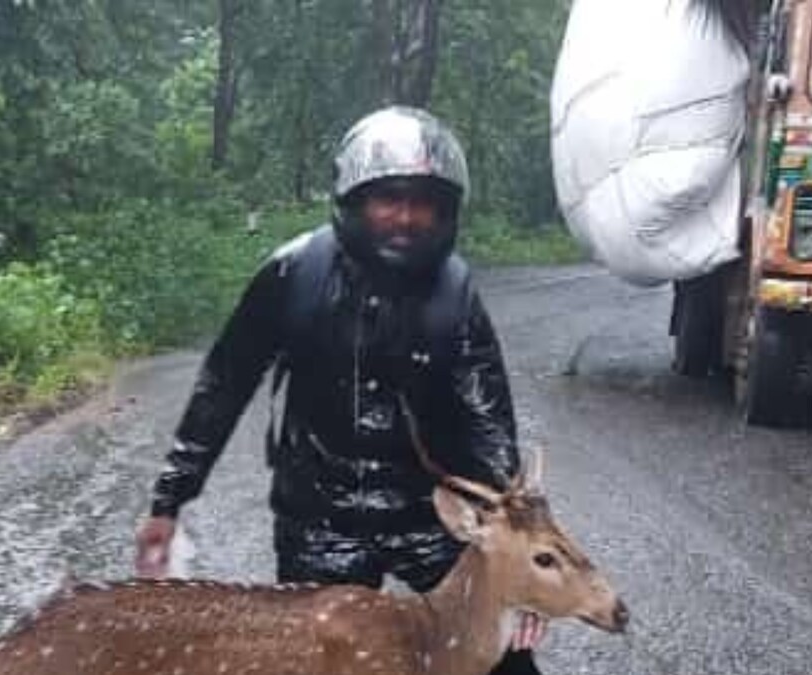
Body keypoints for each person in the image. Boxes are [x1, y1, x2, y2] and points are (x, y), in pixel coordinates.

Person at [133, 106, 547, 674]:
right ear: (354, 201)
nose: (406, 217)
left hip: (431, 515)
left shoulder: (455, 291)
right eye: (388, 199)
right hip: (318, 517)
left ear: (446, 210)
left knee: (507, 661)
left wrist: (515, 552)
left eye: (423, 202)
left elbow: (488, 420)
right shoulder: (293, 274)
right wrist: (169, 501)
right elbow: (222, 388)